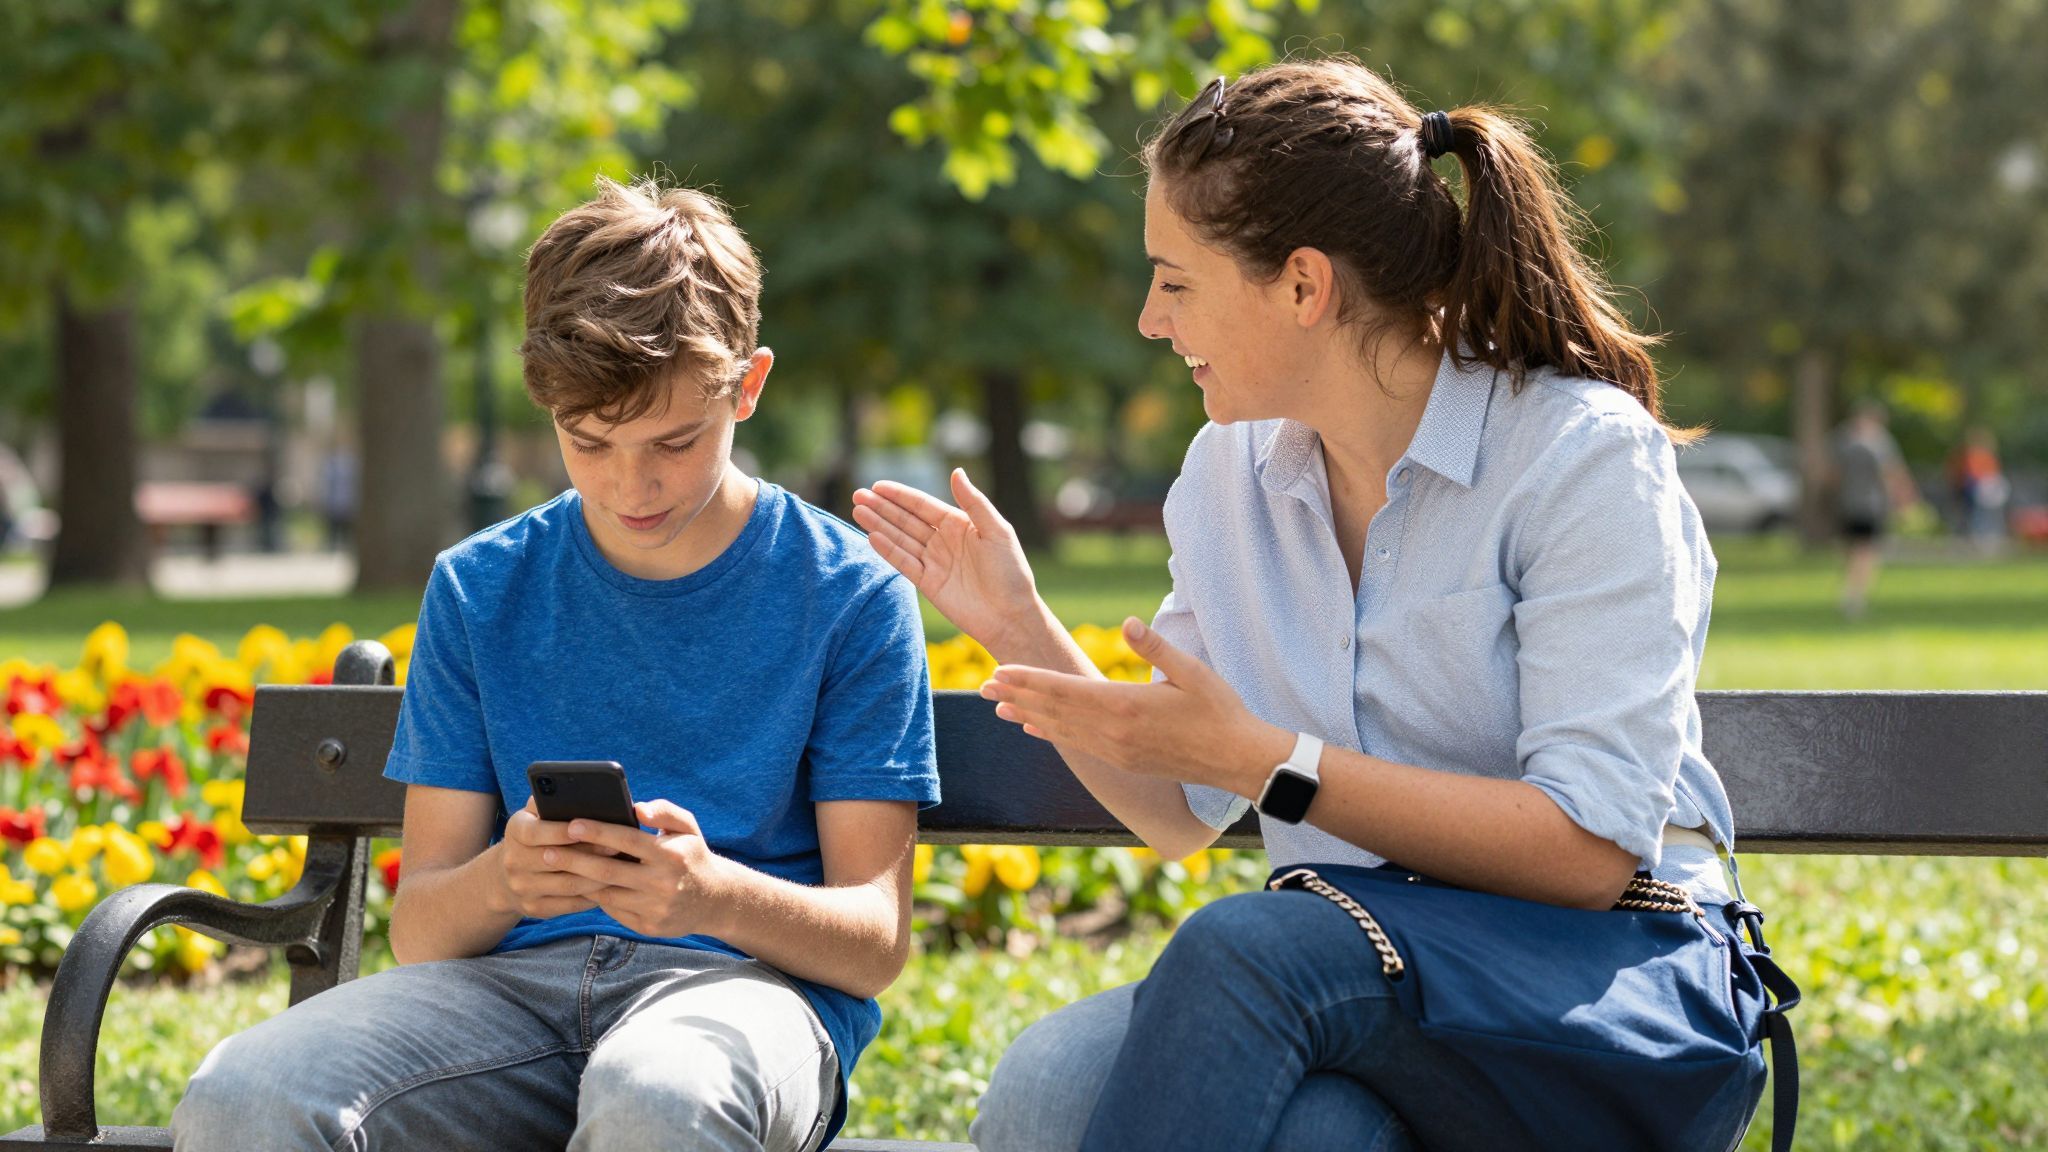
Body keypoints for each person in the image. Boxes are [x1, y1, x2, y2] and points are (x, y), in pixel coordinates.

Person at [854, 57, 1757, 1152]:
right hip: (1363, 985)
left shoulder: (1578, 461)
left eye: (1174, 281)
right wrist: (1011, 620)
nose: (1147, 319)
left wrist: (1273, 763)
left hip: (1598, 990)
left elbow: (1585, 851)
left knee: (1245, 949)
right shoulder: (1229, 475)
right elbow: (1173, 809)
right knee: (1061, 1086)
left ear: (1300, 285)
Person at [174, 176, 941, 1152]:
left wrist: (710, 896)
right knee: (244, 1092)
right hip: (502, 1000)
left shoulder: (849, 593)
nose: (632, 485)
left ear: (747, 386)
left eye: (675, 439)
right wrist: (505, 880)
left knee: (656, 1098)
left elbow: (873, 943)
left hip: (740, 994)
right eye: (588, 441)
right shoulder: (480, 587)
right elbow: (423, 929)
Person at [1835, 400, 1919, 618]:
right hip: (1871, 504)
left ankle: (1849, 591)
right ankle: (1855, 596)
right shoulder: (1880, 442)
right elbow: (1892, 472)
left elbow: (1832, 473)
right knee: (1867, 552)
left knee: (1853, 550)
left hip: (1847, 503)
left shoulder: (1844, 439)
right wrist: (1904, 499)